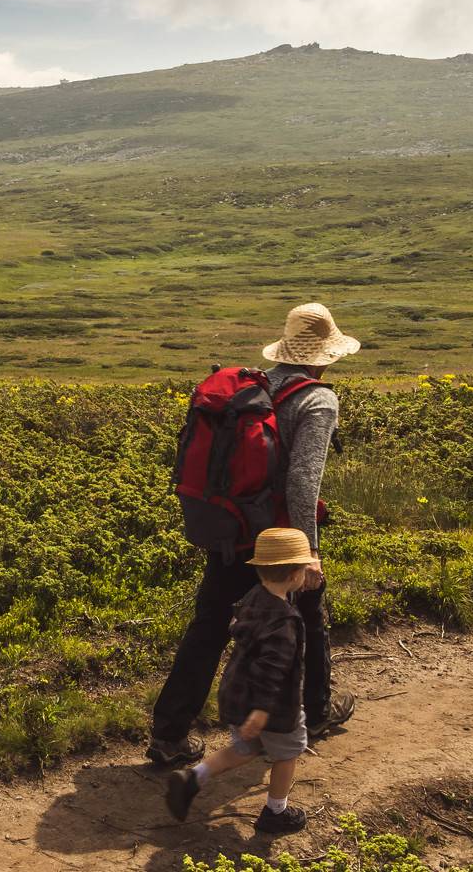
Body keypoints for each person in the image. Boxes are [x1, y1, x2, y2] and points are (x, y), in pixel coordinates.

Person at [147, 302, 357, 767]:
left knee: (208, 626)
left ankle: (168, 734)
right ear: (324, 356)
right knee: (308, 617)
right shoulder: (318, 400)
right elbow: (303, 483)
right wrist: (309, 551)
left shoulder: (251, 388)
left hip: (233, 528)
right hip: (279, 538)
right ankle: (316, 712)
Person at [163, 528, 317, 836]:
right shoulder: (285, 622)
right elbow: (273, 670)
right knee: (288, 753)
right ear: (295, 575)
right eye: (303, 569)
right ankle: (276, 812)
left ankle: (194, 777)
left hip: (236, 693)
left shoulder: (253, 597)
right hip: (272, 706)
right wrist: (261, 710)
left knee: (245, 748)